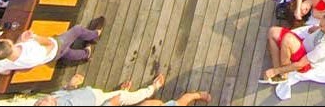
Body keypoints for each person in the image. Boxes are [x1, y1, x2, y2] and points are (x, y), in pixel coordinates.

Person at [0, 21, 104, 74]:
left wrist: (21, 39)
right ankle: (95, 35)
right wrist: (35, 37)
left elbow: (5, 71)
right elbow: (51, 45)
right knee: (77, 30)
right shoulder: (31, 52)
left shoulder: (0, 62)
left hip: (49, 57)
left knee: (67, 52)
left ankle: (86, 54)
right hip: (54, 49)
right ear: (9, 44)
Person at [34, 71, 210, 106]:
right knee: (141, 98)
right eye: (45, 103)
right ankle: (154, 86)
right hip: (106, 103)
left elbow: (65, 91)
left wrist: (70, 84)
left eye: (42, 101)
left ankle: (124, 92)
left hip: (98, 95)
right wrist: (113, 103)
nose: (46, 99)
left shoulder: (54, 96)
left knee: (149, 103)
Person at [262, 11, 325, 86]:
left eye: (321, 25)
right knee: (272, 31)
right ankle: (278, 68)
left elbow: (300, 64)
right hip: (302, 43)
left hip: (305, 59)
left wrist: (275, 71)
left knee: (287, 40)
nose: (319, 25)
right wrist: (316, 28)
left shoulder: (323, 48)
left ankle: (282, 74)